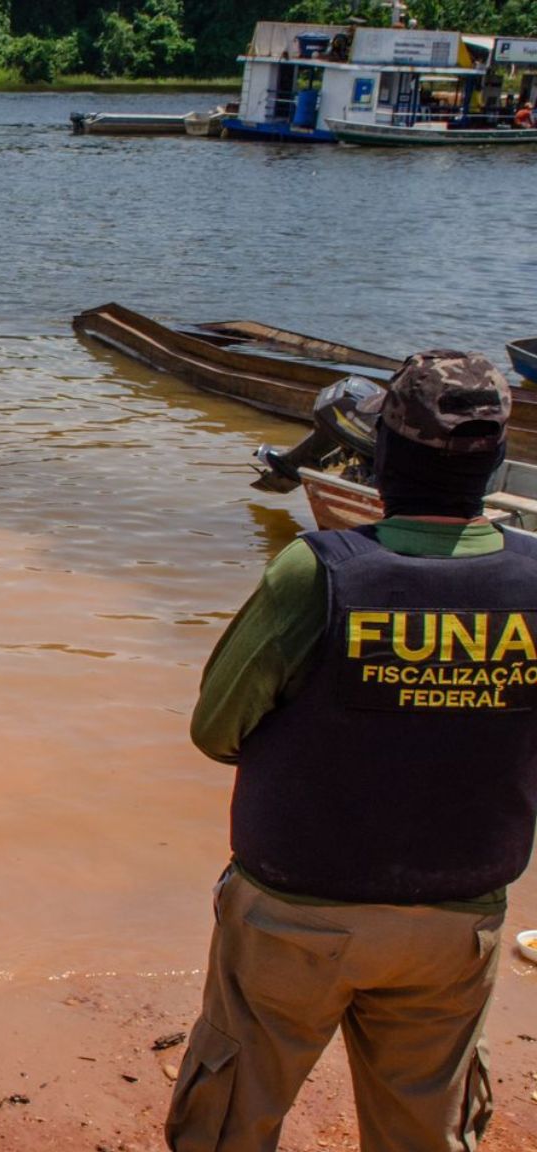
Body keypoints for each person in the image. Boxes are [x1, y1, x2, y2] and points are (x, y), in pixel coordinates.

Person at [170, 351, 534, 1152]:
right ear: (497, 465)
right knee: (425, 1130)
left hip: (298, 908)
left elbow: (215, 728)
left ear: (382, 460)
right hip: (457, 917)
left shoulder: (320, 573)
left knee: (232, 1117)